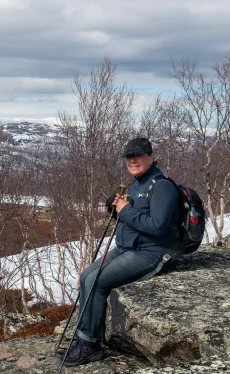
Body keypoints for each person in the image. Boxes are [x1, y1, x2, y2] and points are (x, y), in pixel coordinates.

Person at [59, 137, 185, 367]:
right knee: (87, 275)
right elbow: (132, 218)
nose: (133, 160)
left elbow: (158, 226)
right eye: (129, 156)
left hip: (150, 252)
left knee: (97, 281)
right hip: (127, 247)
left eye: (138, 155)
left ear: (151, 156)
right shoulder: (136, 184)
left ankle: (90, 345)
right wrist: (116, 209)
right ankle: (82, 336)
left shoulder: (162, 185)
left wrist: (125, 210)